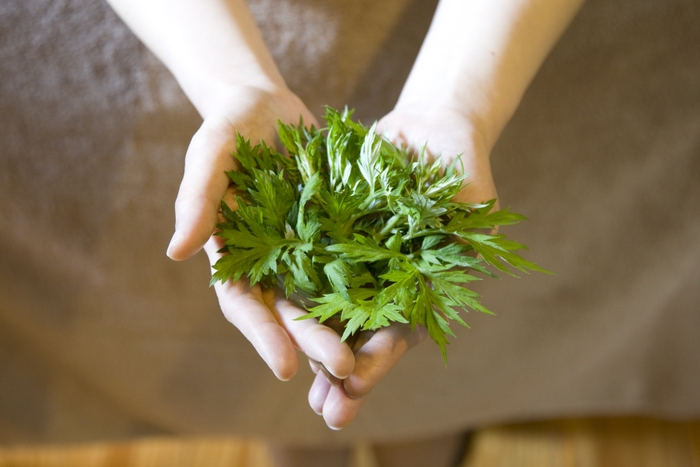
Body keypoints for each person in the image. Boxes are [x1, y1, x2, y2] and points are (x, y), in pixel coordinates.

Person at [2, 0, 699, 466]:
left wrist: (457, 102)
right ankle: (307, 445)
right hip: (211, 25)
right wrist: (233, 85)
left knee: (430, 394)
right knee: (294, 397)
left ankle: (429, 437)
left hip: (507, 40)